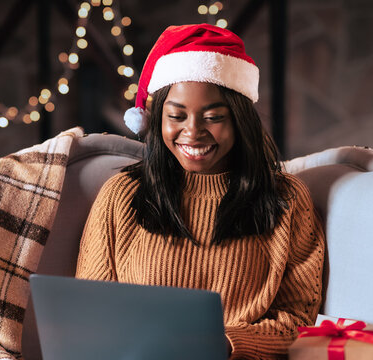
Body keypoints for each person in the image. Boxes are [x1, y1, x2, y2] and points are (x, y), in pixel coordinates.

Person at [75, 23, 325, 359]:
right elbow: (89, 313)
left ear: (239, 119)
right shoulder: (122, 195)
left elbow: (298, 320)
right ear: (156, 118)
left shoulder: (286, 199)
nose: (192, 132)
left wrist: (222, 343)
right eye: (176, 115)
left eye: (212, 117)